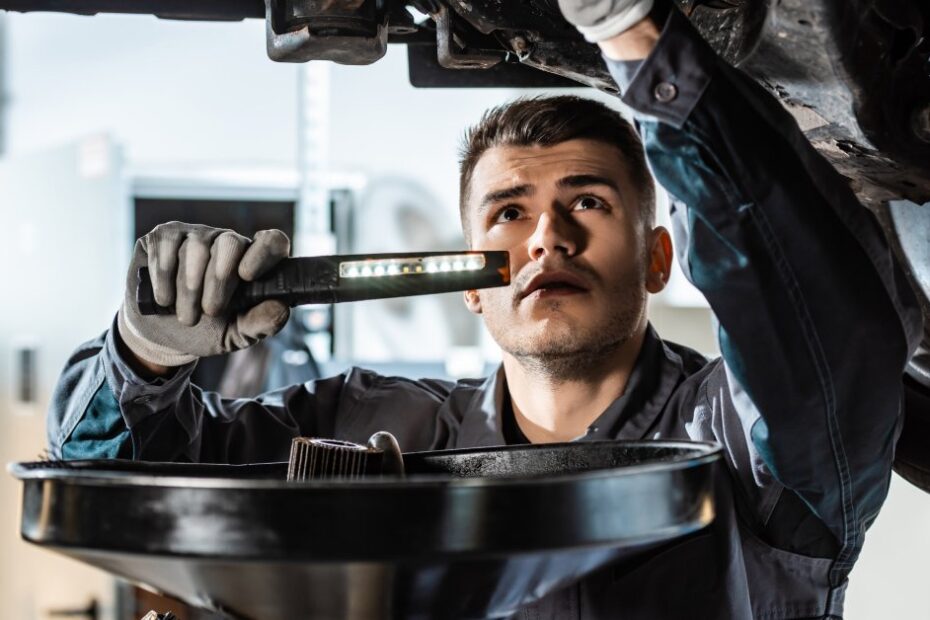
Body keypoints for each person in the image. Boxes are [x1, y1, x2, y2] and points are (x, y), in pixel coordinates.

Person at [47, 0, 922, 618]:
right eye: (509, 213)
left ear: (658, 259)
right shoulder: (370, 425)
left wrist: (638, 39)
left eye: (588, 204)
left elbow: (818, 331)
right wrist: (144, 354)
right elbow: (112, 485)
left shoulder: (740, 446)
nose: (546, 240)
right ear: (472, 280)